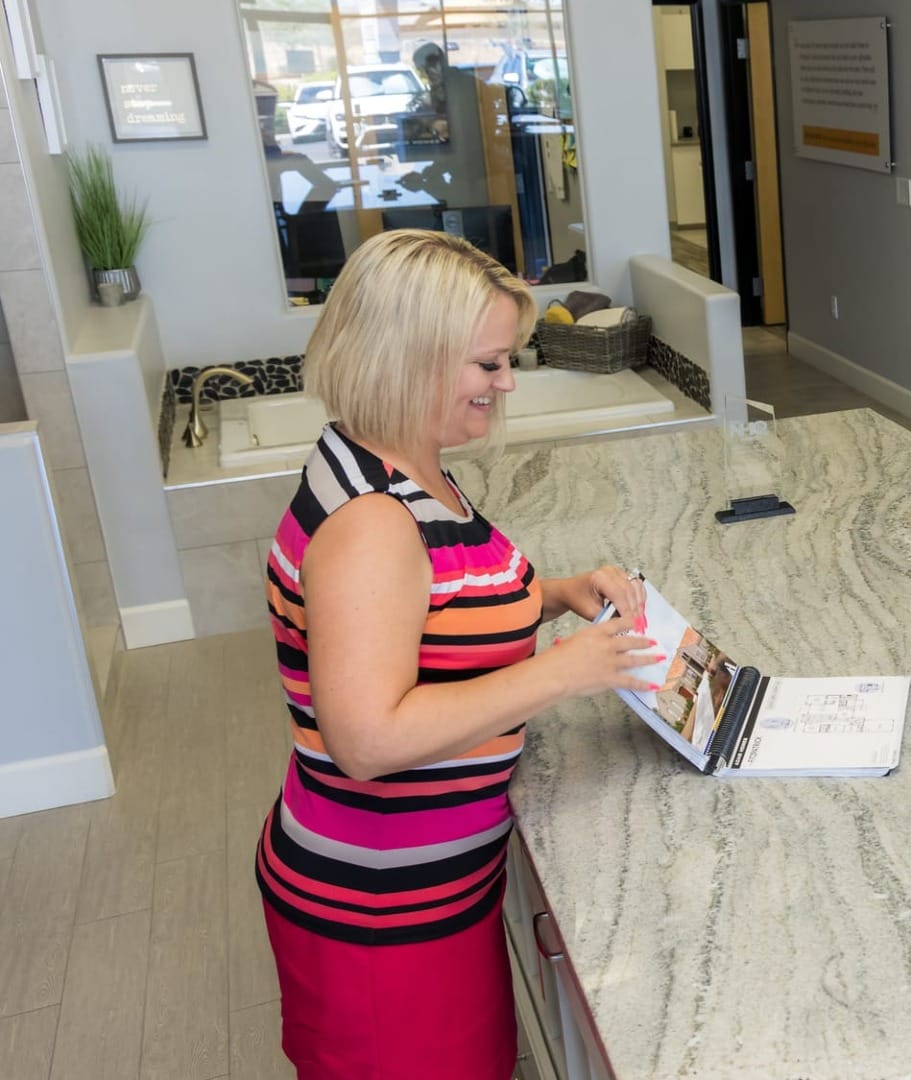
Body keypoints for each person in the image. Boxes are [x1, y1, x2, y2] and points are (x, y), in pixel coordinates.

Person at [253, 230, 663, 1077]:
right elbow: (366, 740)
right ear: (408, 359)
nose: (506, 382)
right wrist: (559, 670)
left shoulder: (399, 460)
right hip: (379, 910)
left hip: (434, 884)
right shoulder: (372, 522)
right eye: (488, 364)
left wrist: (552, 592)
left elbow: (433, 603)